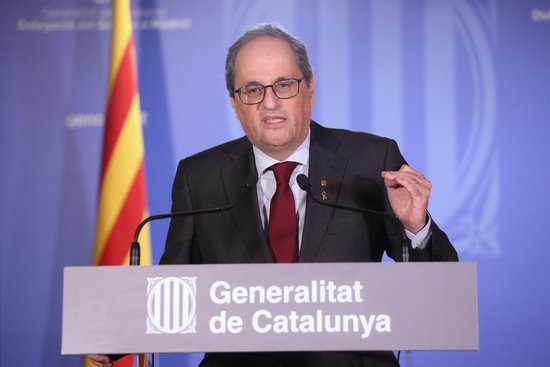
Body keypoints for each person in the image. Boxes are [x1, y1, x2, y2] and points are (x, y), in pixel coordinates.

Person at [88, 23, 457, 367]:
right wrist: (116, 333)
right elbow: (173, 288)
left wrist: (416, 226)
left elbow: (439, 292)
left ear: (310, 89)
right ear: (234, 103)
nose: (269, 102)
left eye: (284, 84)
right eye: (252, 89)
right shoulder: (199, 177)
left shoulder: (370, 161)